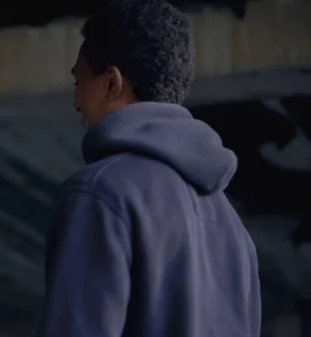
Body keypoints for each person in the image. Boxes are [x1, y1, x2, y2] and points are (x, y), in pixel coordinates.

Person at [37, 1, 261, 336]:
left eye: (78, 82)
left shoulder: (101, 192)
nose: (76, 102)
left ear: (112, 83)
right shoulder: (234, 229)